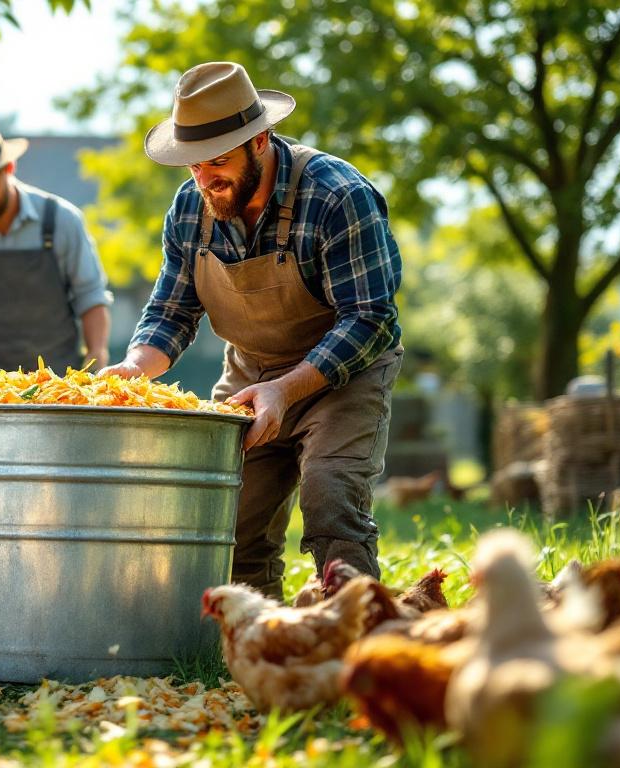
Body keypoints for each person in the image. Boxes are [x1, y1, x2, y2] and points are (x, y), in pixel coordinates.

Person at [100, 62, 404, 599]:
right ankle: (250, 654)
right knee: (229, 515)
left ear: (259, 141)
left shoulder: (337, 196)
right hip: (248, 373)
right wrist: (132, 369)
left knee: (330, 495)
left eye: (217, 162)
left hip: (343, 375)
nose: (203, 180)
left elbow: (371, 317)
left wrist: (286, 391)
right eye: (191, 165)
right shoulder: (190, 209)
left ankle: (358, 647)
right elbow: (172, 310)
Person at [0, 119, 112, 390]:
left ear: (9, 169)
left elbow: (91, 296)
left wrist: (97, 357)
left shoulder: (61, 220)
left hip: (61, 387)